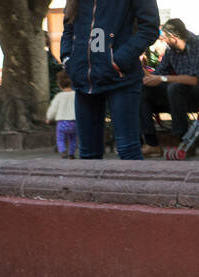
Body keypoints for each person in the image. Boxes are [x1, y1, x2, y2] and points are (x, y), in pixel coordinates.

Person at [61, 0, 160, 161]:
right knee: (87, 154)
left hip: (122, 77)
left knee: (128, 151)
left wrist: (119, 59)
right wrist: (67, 58)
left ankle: (135, 187)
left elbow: (150, 28)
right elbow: (69, 27)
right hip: (84, 78)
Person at [139, 17, 199, 155]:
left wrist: (162, 78)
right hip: (180, 93)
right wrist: (140, 68)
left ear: (173, 37)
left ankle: (184, 141)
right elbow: (158, 74)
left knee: (175, 87)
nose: (162, 41)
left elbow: (195, 79)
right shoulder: (171, 50)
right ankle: (151, 143)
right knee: (145, 89)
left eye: (164, 38)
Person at [47, 71, 78, 158]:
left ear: (59, 84)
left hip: (62, 123)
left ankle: (63, 151)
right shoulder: (76, 95)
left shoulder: (59, 96)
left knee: (60, 138)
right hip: (75, 121)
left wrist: (49, 118)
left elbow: (53, 109)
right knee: (73, 139)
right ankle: (71, 153)